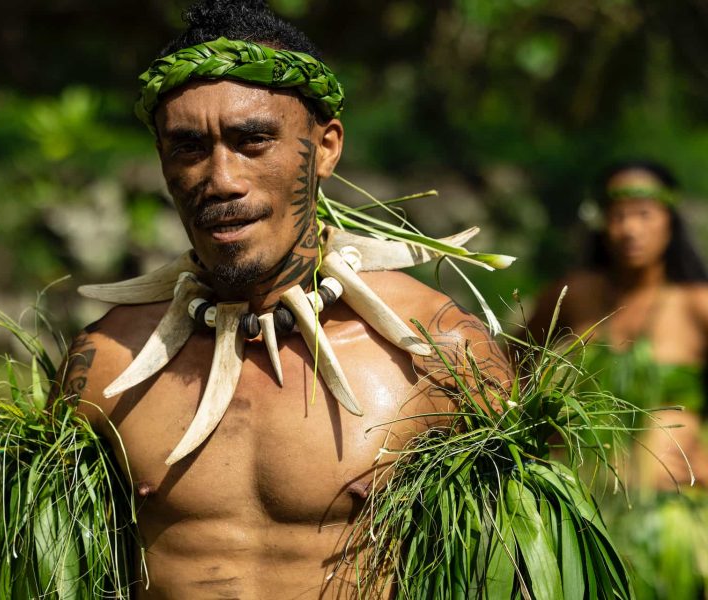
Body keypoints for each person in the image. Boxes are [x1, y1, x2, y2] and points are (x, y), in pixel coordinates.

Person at [57, 1, 512, 597]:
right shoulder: (108, 361)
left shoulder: (439, 353)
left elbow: (509, 571)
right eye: (188, 147)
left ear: (325, 149)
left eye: (253, 141)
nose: (220, 178)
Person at [527, 159, 708, 597]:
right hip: (576, 520)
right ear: (601, 222)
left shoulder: (696, 305)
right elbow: (504, 372)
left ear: (669, 220)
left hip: (675, 524)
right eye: (618, 215)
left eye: (644, 214)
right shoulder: (570, 296)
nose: (630, 229)